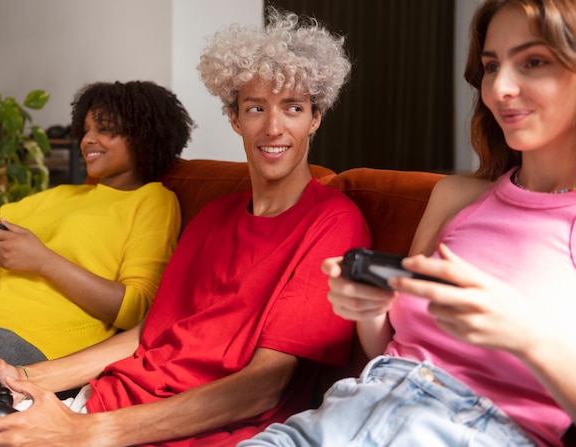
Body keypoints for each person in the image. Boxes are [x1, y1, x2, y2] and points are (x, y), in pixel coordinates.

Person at [0, 8, 371, 447]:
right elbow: (142, 337)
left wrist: (86, 431)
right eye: (255, 108)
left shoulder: (333, 222)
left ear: (315, 118)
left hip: (156, 428)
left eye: (293, 108)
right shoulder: (214, 216)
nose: (273, 127)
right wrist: (22, 377)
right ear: (234, 119)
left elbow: (265, 386)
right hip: (102, 401)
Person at [238, 1, 576, 446]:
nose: (500, 89)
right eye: (492, 66)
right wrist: (371, 309)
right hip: (346, 413)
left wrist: (525, 337)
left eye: (533, 62)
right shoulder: (458, 197)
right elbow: (391, 348)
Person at [0, 80, 193, 376]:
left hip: (34, 336)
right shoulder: (63, 195)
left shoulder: (152, 200)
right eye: (86, 130)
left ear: (144, 135)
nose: (87, 140)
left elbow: (137, 309)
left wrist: (42, 260)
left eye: (104, 129)